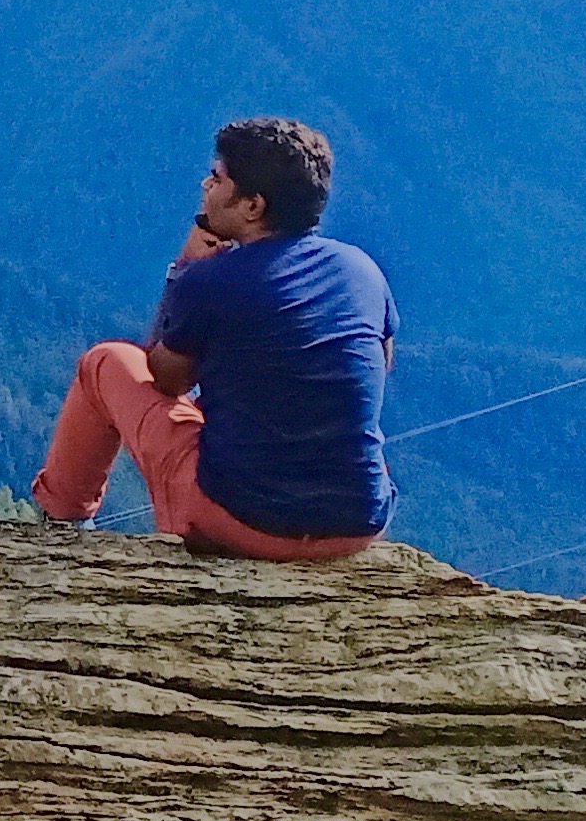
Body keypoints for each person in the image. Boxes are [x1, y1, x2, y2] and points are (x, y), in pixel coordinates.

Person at [32, 116, 396, 562]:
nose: (206, 185)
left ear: (252, 206)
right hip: (357, 525)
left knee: (104, 363)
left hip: (241, 524)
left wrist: (182, 271)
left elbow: (166, 380)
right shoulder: (363, 271)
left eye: (219, 178)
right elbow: (380, 365)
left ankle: (61, 527)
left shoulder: (210, 281)